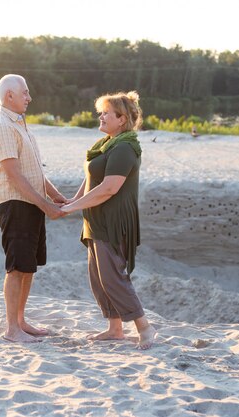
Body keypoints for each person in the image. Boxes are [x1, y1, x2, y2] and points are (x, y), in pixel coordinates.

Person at [62, 91, 157, 350]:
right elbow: (92, 176)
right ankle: (115, 329)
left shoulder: (125, 147)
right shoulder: (106, 144)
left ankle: (145, 328)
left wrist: (72, 207)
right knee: (98, 277)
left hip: (113, 221)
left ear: (122, 119)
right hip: (95, 219)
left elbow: (109, 188)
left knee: (113, 277)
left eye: (106, 113)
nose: (100, 116)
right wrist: (72, 200)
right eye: (101, 111)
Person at [0, 74, 67, 343]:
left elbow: (34, 173)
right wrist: (44, 205)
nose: (29, 98)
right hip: (15, 203)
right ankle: (12, 329)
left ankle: (21, 321)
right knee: (16, 267)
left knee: (29, 266)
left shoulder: (20, 125)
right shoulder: (2, 126)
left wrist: (56, 197)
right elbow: (14, 176)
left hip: (30, 203)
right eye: (25, 93)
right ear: (9, 95)